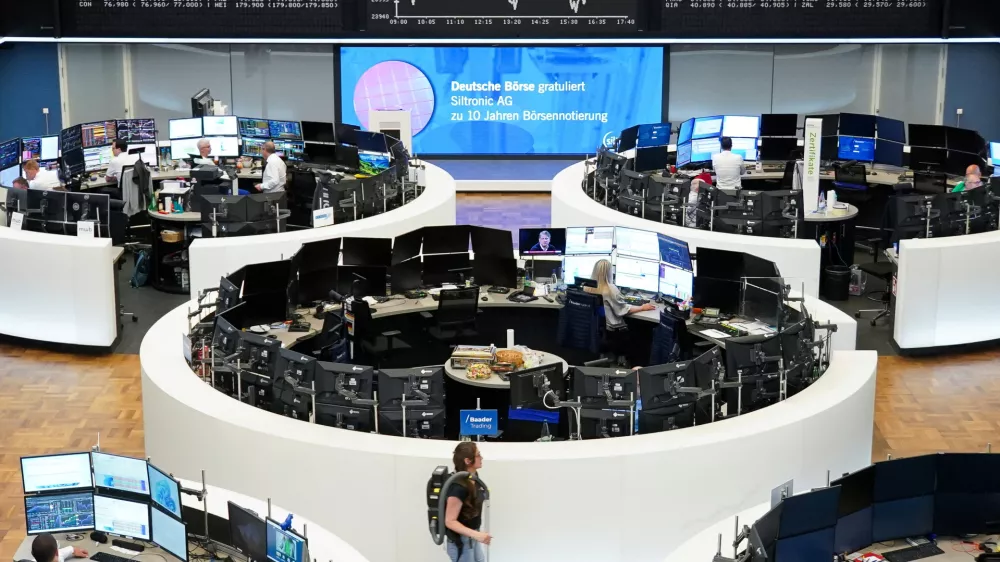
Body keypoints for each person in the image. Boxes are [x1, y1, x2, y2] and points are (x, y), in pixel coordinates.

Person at [586, 259, 656, 365]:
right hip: (614, 333)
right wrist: (642, 307)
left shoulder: (587, 287)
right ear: (610, 272)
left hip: (596, 330)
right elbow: (622, 310)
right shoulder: (611, 289)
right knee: (643, 330)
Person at [445, 442, 490, 562]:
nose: (481, 458)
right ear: (467, 461)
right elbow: (450, 521)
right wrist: (477, 535)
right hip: (461, 542)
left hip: (471, 537)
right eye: (478, 455)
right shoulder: (458, 487)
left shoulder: (473, 479)